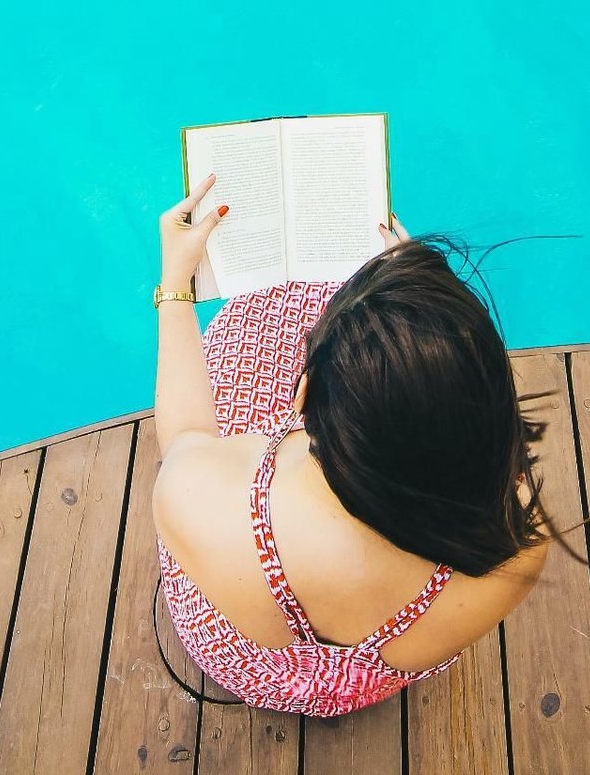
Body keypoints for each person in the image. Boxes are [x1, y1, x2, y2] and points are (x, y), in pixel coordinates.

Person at [148, 173, 562, 717]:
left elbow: (184, 439)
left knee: (251, 323)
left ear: (303, 395)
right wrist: (419, 304)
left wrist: (175, 288)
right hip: (389, 660)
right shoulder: (518, 542)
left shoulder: (209, 506)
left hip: (247, 648)